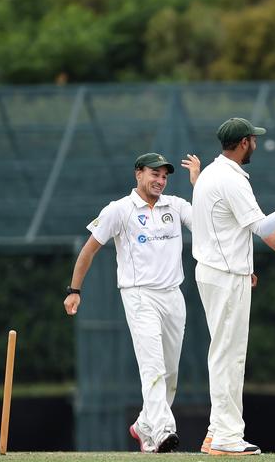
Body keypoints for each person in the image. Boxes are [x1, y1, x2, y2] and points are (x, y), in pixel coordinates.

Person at [192, 117, 275, 456]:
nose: (255, 145)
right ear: (243, 143)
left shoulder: (212, 173)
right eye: (252, 140)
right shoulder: (230, 179)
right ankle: (226, 437)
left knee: (224, 352)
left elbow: (230, 230)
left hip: (221, 271)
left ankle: (215, 431)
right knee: (228, 355)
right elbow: (261, 226)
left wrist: (244, 266)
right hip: (224, 275)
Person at [63, 152, 197, 453]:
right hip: (139, 295)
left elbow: (208, 222)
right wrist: (74, 289)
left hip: (173, 295)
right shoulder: (119, 210)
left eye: (164, 176)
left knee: (171, 373)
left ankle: (144, 426)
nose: (160, 181)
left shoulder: (175, 206)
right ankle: (163, 431)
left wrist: (197, 182)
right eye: (155, 174)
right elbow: (89, 250)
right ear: (138, 173)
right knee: (153, 366)